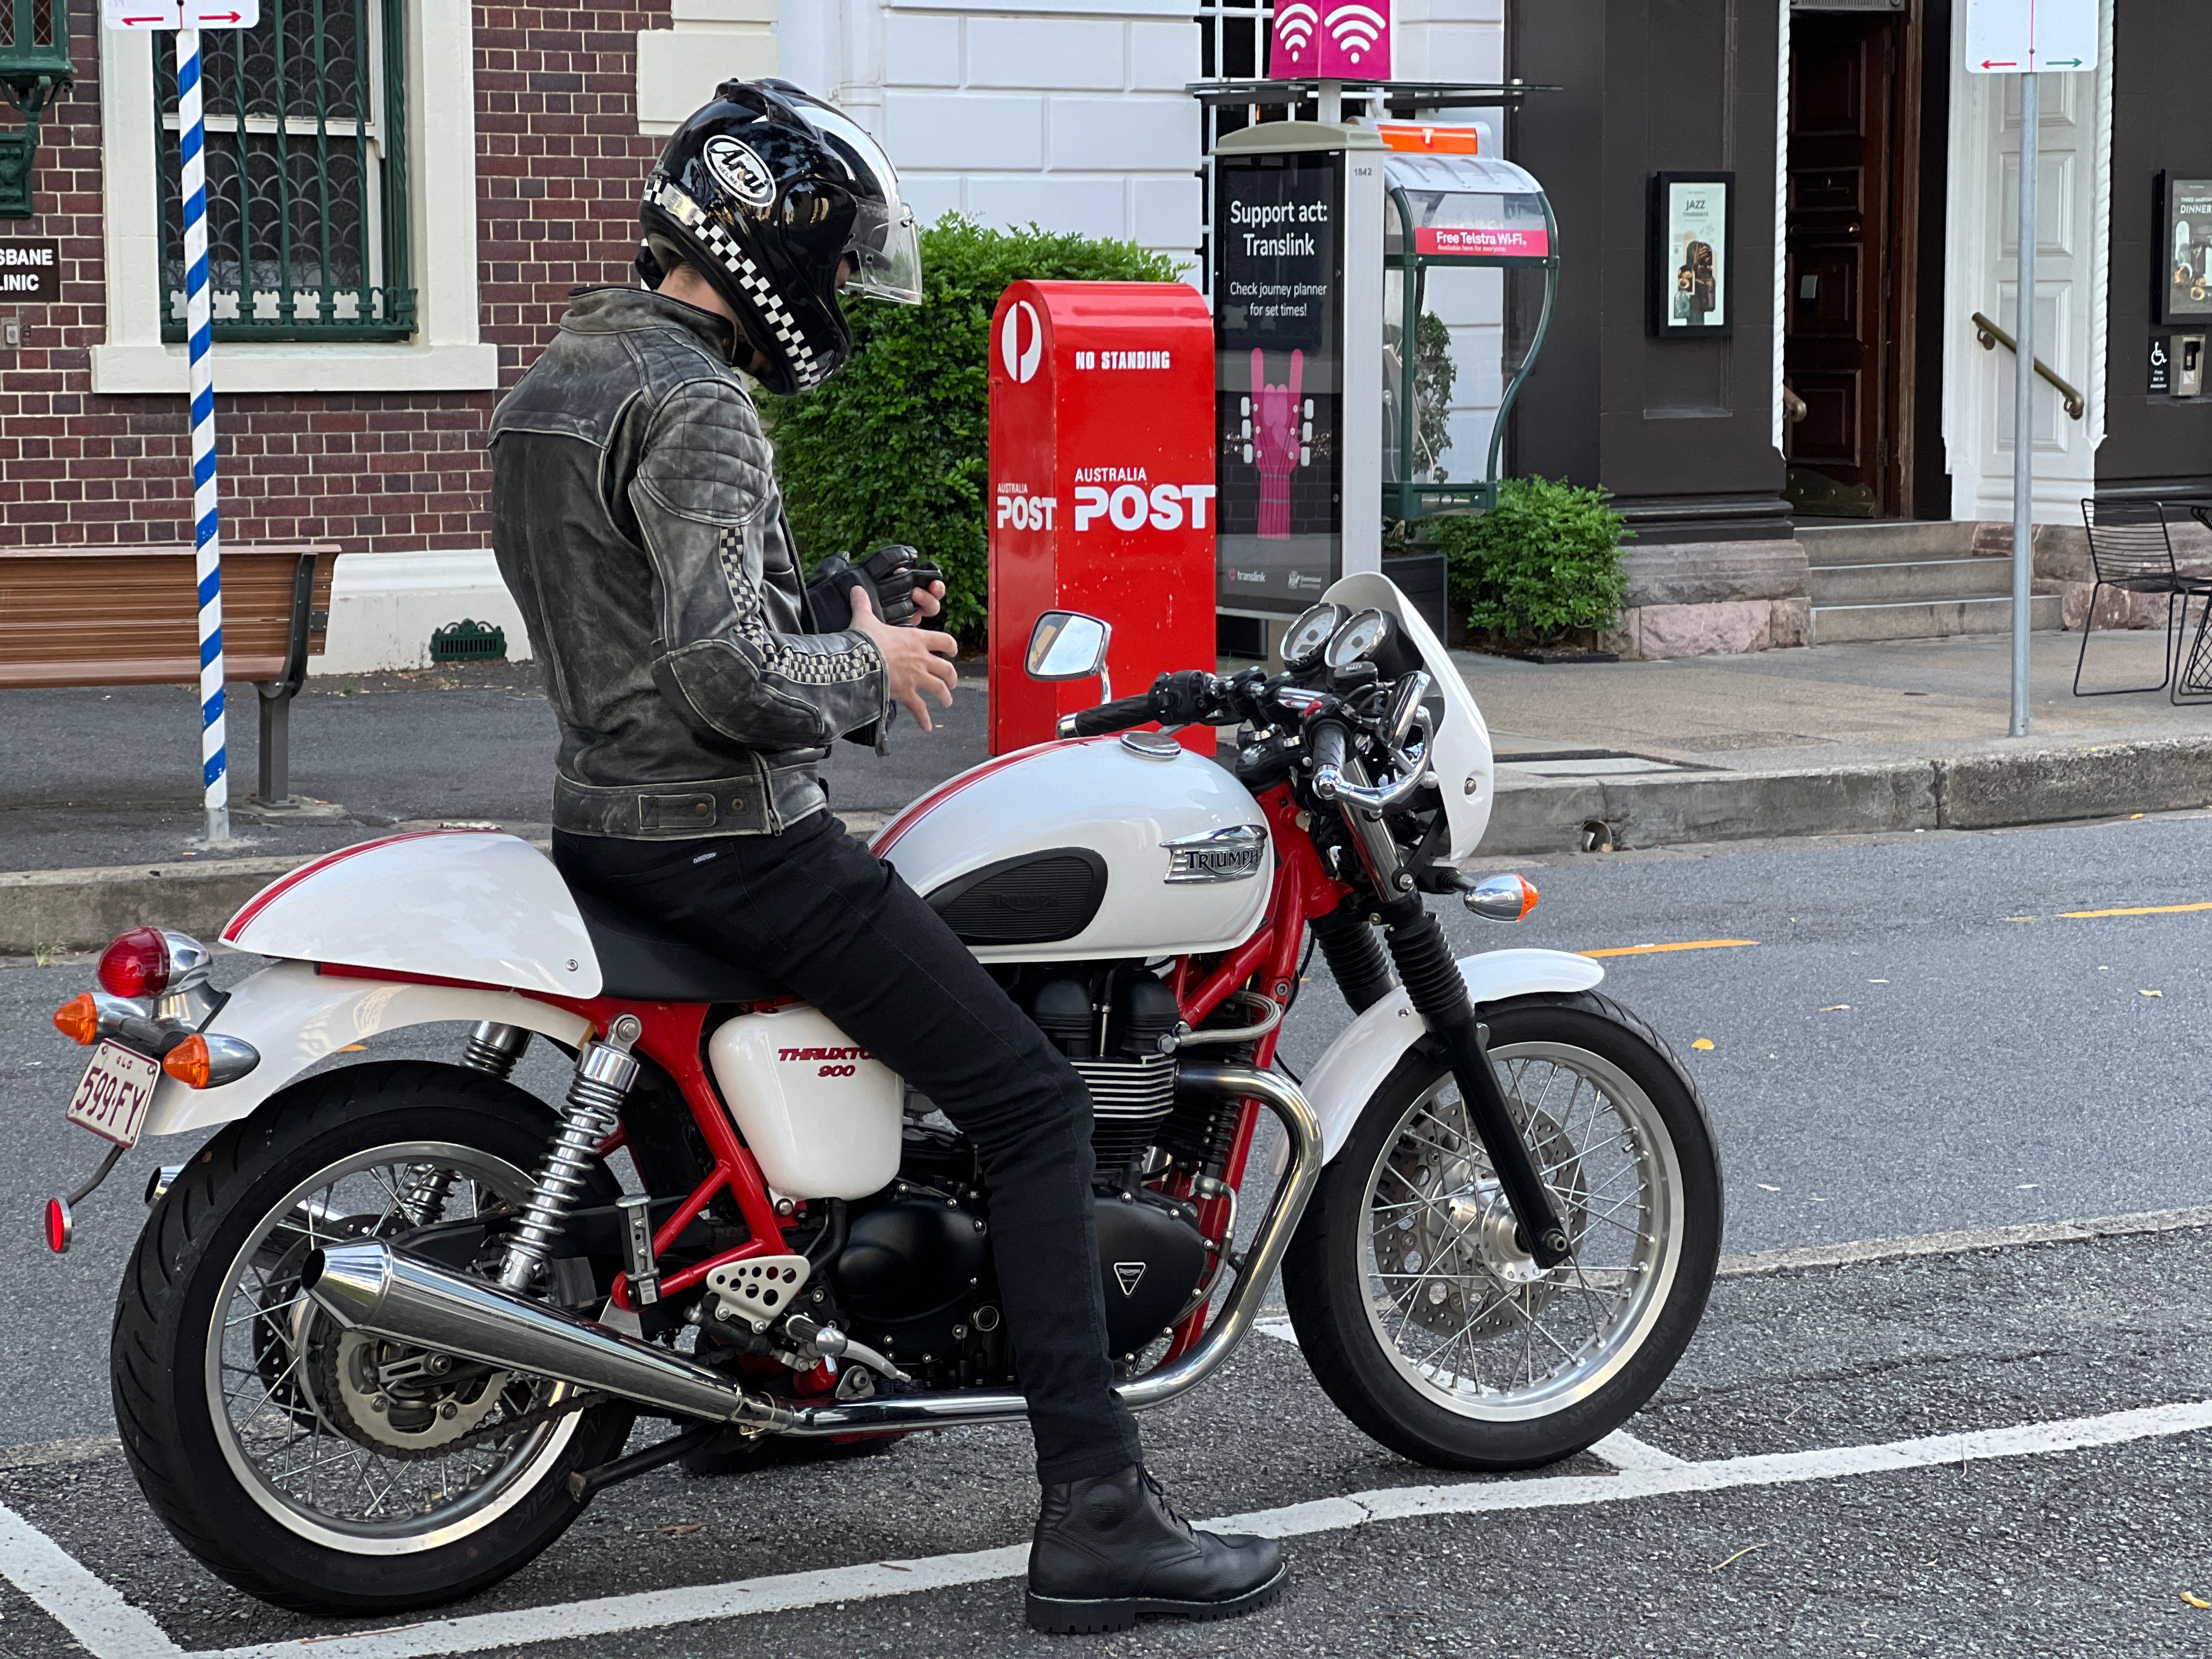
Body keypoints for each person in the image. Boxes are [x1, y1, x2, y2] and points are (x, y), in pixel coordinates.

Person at [487, 78, 1285, 1635]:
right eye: (839, 253)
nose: (844, 283)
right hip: (733, 839)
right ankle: (1099, 1513)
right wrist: (879, 668)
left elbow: (648, 617)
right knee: (1032, 1102)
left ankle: (760, 1381)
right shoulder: (703, 405)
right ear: (773, 236)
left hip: (607, 822)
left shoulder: (562, 380)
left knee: (718, 1102)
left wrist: (838, 597)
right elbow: (723, 678)